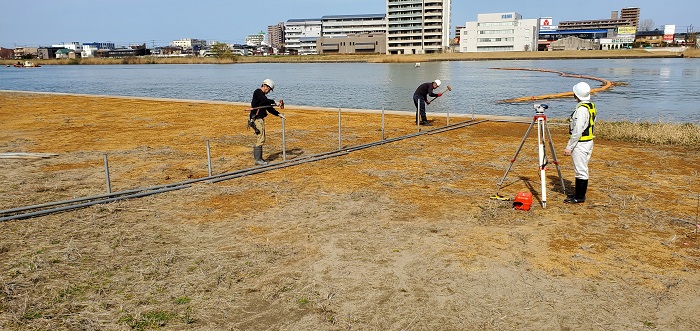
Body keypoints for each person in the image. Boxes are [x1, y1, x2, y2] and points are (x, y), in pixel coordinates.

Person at [564, 82, 597, 204]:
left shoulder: (581, 110)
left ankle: (579, 197)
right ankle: (578, 194)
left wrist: (569, 146)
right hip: (588, 142)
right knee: (582, 169)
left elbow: (577, 130)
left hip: (580, 144)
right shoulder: (590, 106)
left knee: (581, 170)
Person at [249, 79, 284, 165]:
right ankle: (258, 159)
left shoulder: (263, 96)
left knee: (261, 138)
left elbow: (269, 108)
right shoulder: (258, 92)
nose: (268, 92)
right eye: (269, 89)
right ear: (265, 86)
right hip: (256, 119)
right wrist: (274, 102)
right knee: (261, 138)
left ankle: (259, 158)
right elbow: (265, 101)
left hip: (259, 119)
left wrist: (278, 114)